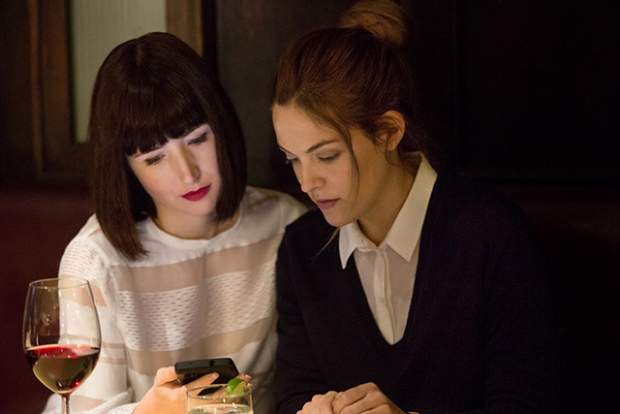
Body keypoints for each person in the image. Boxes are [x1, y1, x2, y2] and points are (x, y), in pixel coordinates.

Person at [271, 1, 559, 413]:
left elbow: (526, 402)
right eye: (293, 159)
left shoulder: (491, 234)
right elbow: (294, 397)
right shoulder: (302, 250)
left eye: (327, 156)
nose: (306, 182)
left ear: (389, 131)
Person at [42, 32, 307, 414]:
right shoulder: (95, 260)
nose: (188, 173)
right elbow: (84, 409)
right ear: (125, 169)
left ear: (222, 128)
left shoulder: (286, 225)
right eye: (154, 158)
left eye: (197, 139)